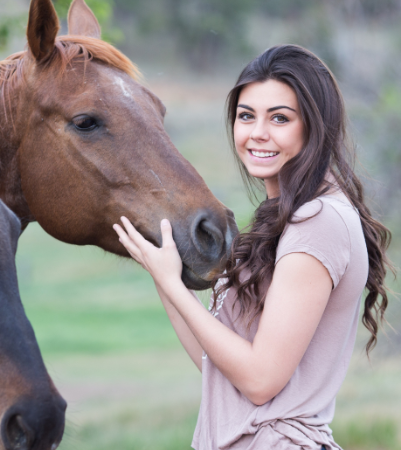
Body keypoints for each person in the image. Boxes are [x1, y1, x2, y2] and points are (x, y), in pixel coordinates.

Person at [113, 44, 393, 450]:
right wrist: (164, 275)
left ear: (315, 126)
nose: (257, 133)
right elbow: (219, 370)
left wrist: (174, 286)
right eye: (246, 116)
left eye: (280, 118)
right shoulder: (287, 216)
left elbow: (261, 381)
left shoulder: (318, 221)